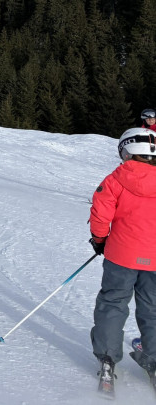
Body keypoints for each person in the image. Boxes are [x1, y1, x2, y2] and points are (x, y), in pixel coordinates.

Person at [89, 128, 156, 396]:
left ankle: (107, 360)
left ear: (127, 151)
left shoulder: (116, 178)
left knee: (113, 302)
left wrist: (99, 240)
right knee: (152, 307)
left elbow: (100, 213)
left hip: (122, 256)